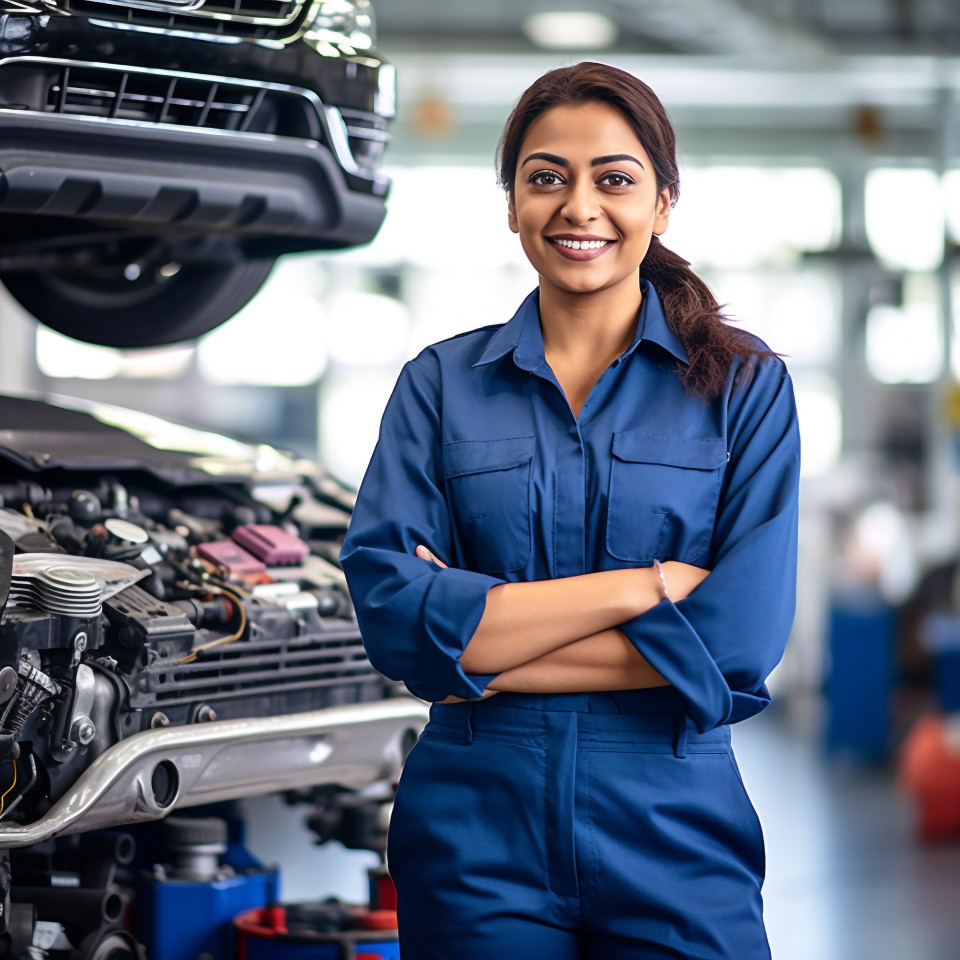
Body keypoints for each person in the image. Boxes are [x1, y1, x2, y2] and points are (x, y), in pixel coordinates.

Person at [340, 61, 800, 960]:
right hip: (475, 830)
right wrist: (650, 588)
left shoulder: (745, 388)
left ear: (662, 203)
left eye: (614, 179)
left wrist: (482, 643)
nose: (578, 206)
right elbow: (398, 623)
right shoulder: (439, 387)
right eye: (546, 177)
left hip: (675, 823)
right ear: (511, 203)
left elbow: (737, 646)